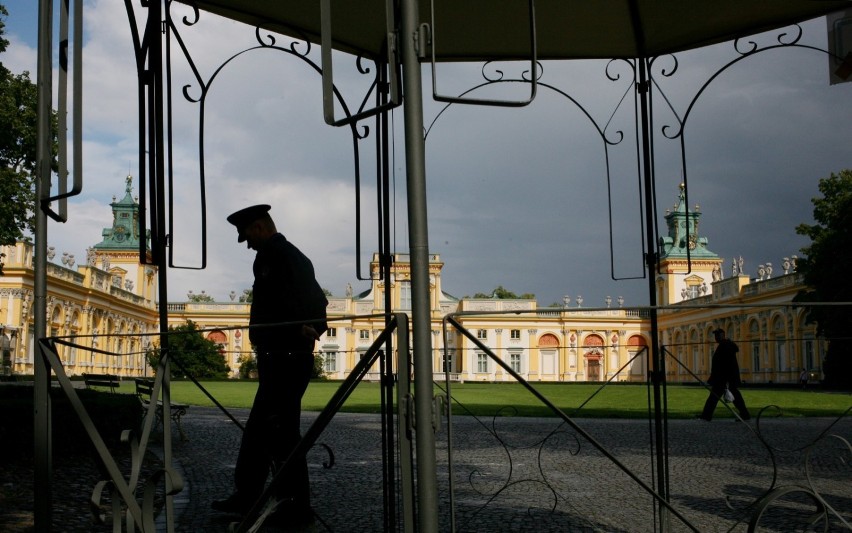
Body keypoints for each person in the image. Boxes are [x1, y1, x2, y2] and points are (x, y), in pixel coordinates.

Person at [213, 204, 328, 527]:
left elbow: (290, 306)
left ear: (260, 228)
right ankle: (252, 496)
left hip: (284, 358)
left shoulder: (274, 256)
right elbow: (317, 302)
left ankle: (292, 507)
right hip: (283, 357)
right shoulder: (291, 256)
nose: (245, 241)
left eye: (245, 234)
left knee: (281, 434)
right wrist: (311, 328)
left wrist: (301, 330)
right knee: (261, 431)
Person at [699, 328, 751, 421]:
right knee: (734, 396)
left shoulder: (725, 345)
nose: (716, 337)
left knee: (715, 396)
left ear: (723, 335)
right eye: (715, 335)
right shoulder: (725, 345)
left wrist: (725, 379)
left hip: (724, 378)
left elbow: (726, 364)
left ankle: (706, 415)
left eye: (717, 335)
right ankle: (745, 414)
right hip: (725, 377)